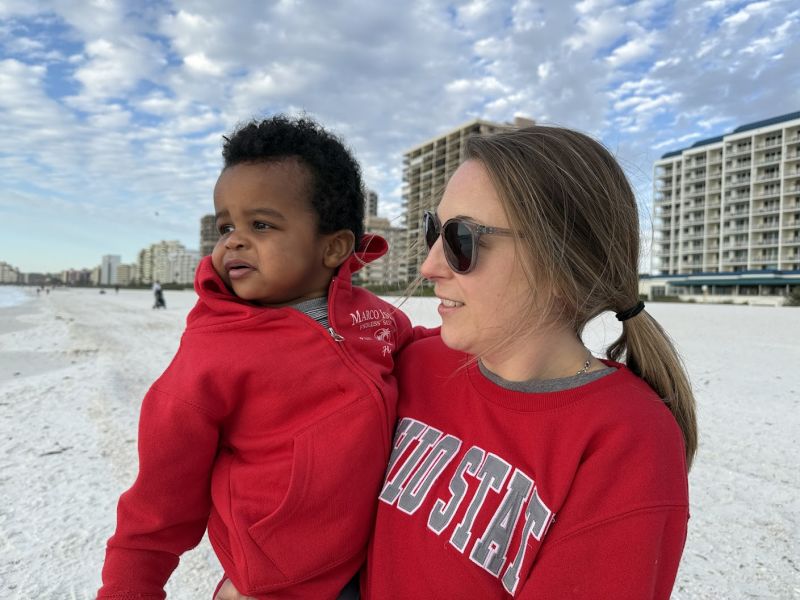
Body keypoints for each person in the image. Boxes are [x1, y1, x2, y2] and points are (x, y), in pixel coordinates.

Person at [358, 125, 697, 599]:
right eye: (432, 231)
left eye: (460, 240)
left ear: (561, 262)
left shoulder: (629, 443)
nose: (429, 266)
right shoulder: (416, 362)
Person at [98, 116, 422, 599]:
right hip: (274, 584)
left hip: (376, 562)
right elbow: (156, 509)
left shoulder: (375, 319)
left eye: (261, 224)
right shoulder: (212, 354)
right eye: (226, 224)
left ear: (333, 247)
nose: (232, 239)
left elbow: (424, 353)